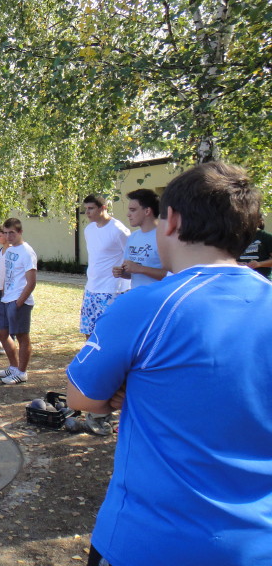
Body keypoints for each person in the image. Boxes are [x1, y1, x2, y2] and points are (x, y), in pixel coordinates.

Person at [66, 162, 272, 566]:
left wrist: (132, 387)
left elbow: (81, 396)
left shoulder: (144, 306)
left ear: (171, 220)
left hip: (149, 540)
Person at [0, 219, 37, 385]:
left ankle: (22, 372)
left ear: (19, 232)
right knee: (1, 332)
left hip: (19, 300)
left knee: (21, 336)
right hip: (6, 298)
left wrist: (19, 302)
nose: (8, 236)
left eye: (11, 232)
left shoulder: (27, 252)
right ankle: (13, 366)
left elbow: (31, 282)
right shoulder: (10, 250)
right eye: (5, 233)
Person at [80, 195, 130, 337]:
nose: (87, 212)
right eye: (86, 209)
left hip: (112, 290)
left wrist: (124, 272)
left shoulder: (118, 230)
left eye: (91, 208)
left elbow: (131, 257)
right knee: (89, 333)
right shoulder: (89, 229)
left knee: (108, 334)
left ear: (103, 208)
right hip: (91, 289)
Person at [111, 189, 166, 288]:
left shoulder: (164, 237)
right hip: (136, 294)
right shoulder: (133, 237)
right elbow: (132, 273)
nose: (128, 214)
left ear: (147, 211)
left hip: (158, 296)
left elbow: (172, 275)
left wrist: (140, 269)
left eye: (133, 210)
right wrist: (122, 272)